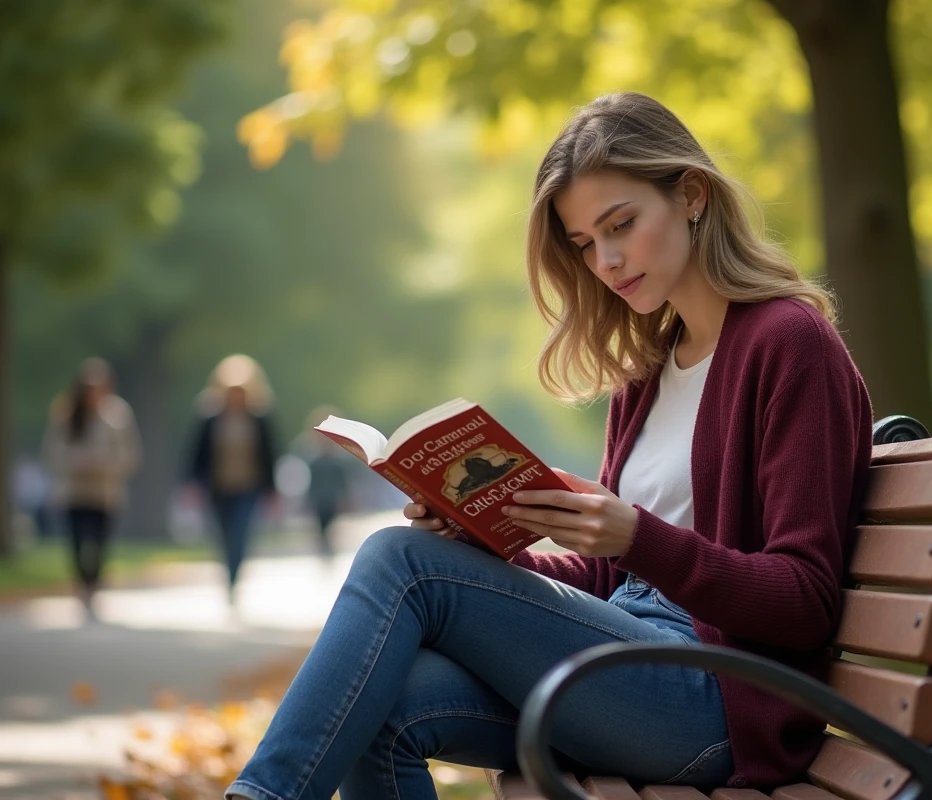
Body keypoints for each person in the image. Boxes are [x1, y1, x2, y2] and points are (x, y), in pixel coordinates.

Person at [227, 92, 873, 800]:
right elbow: (611, 580)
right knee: (381, 705)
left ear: (691, 195)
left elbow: (806, 600)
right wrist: (481, 547)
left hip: (720, 703)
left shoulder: (788, 343)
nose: (607, 260)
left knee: (398, 559)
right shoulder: (648, 373)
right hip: (626, 666)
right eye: (585, 243)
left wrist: (636, 537)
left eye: (621, 225)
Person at [42, 358, 142, 614]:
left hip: (105, 493)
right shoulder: (65, 413)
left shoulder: (118, 415)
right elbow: (53, 451)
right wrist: (75, 461)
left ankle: (94, 584)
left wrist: (102, 463)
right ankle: (81, 584)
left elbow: (130, 456)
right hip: (74, 492)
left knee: (99, 542)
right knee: (76, 541)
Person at [187, 354, 279, 602]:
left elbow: (269, 454)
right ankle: (228, 570)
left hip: (249, 487)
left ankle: (233, 578)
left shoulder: (259, 419)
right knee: (224, 535)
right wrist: (191, 483)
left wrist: (272, 489)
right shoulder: (210, 418)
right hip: (218, 487)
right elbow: (196, 452)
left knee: (240, 532)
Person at [293, 406, 354, 560]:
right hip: (319, 499)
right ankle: (324, 545)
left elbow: (342, 482)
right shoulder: (313, 462)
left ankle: (328, 545)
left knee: (331, 523)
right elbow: (310, 483)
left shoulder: (337, 462)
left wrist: (345, 498)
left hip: (331, 499)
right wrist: (307, 500)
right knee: (321, 524)